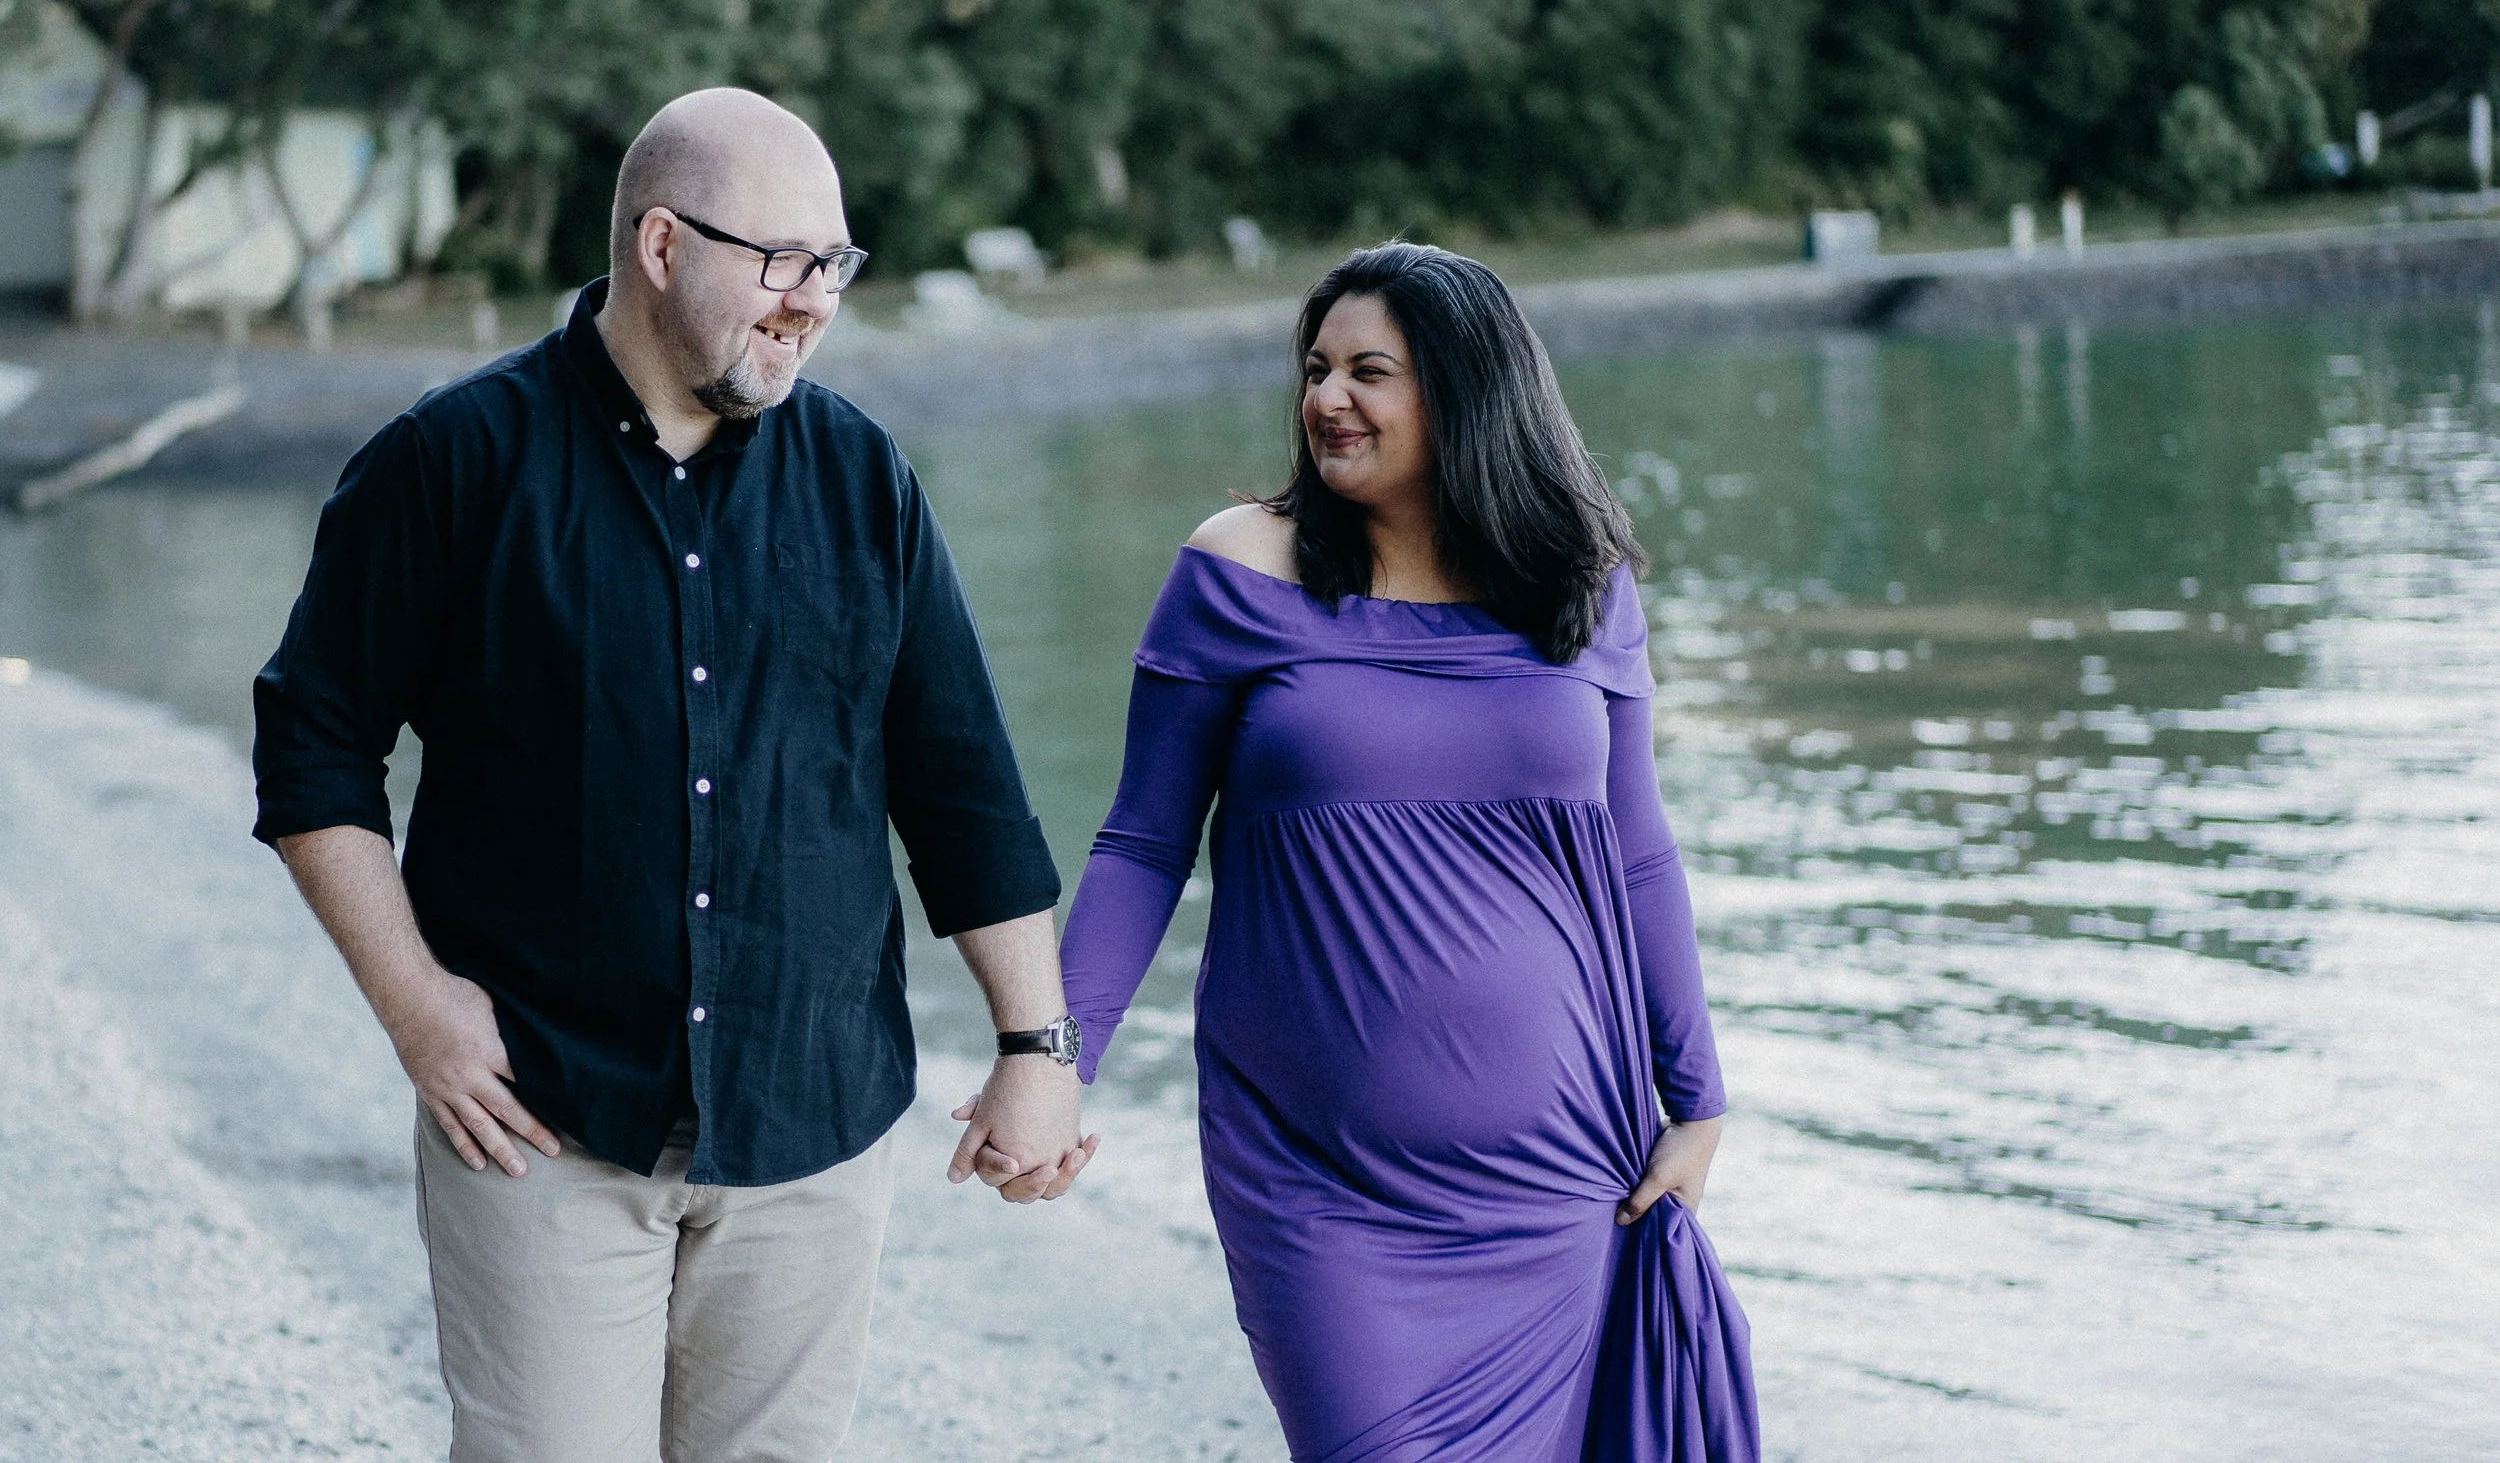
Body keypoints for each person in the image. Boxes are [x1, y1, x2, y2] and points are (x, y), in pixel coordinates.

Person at [251, 87, 1095, 1463]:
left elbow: (961, 788)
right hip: (543, 1116)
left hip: (812, 1118)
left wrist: (1034, 1048)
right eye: (782, 263)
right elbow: (311, 747)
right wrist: (419, 1011)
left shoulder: (861, 475)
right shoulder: (453, 462)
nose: (812, 302)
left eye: (834, 266)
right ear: (660, 245)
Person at [1058, 242, 1757, 1462]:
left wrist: (1696, 1100)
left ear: (1466, 391)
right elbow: (1141, 841)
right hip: (1320, 1186)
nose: (1328, 397)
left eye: (1367, 371)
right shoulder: (1239, 566)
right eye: (1316, 369)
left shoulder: (1579, 588)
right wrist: (1056, 1056)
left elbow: (1638, 853)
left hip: (1561, 1175)